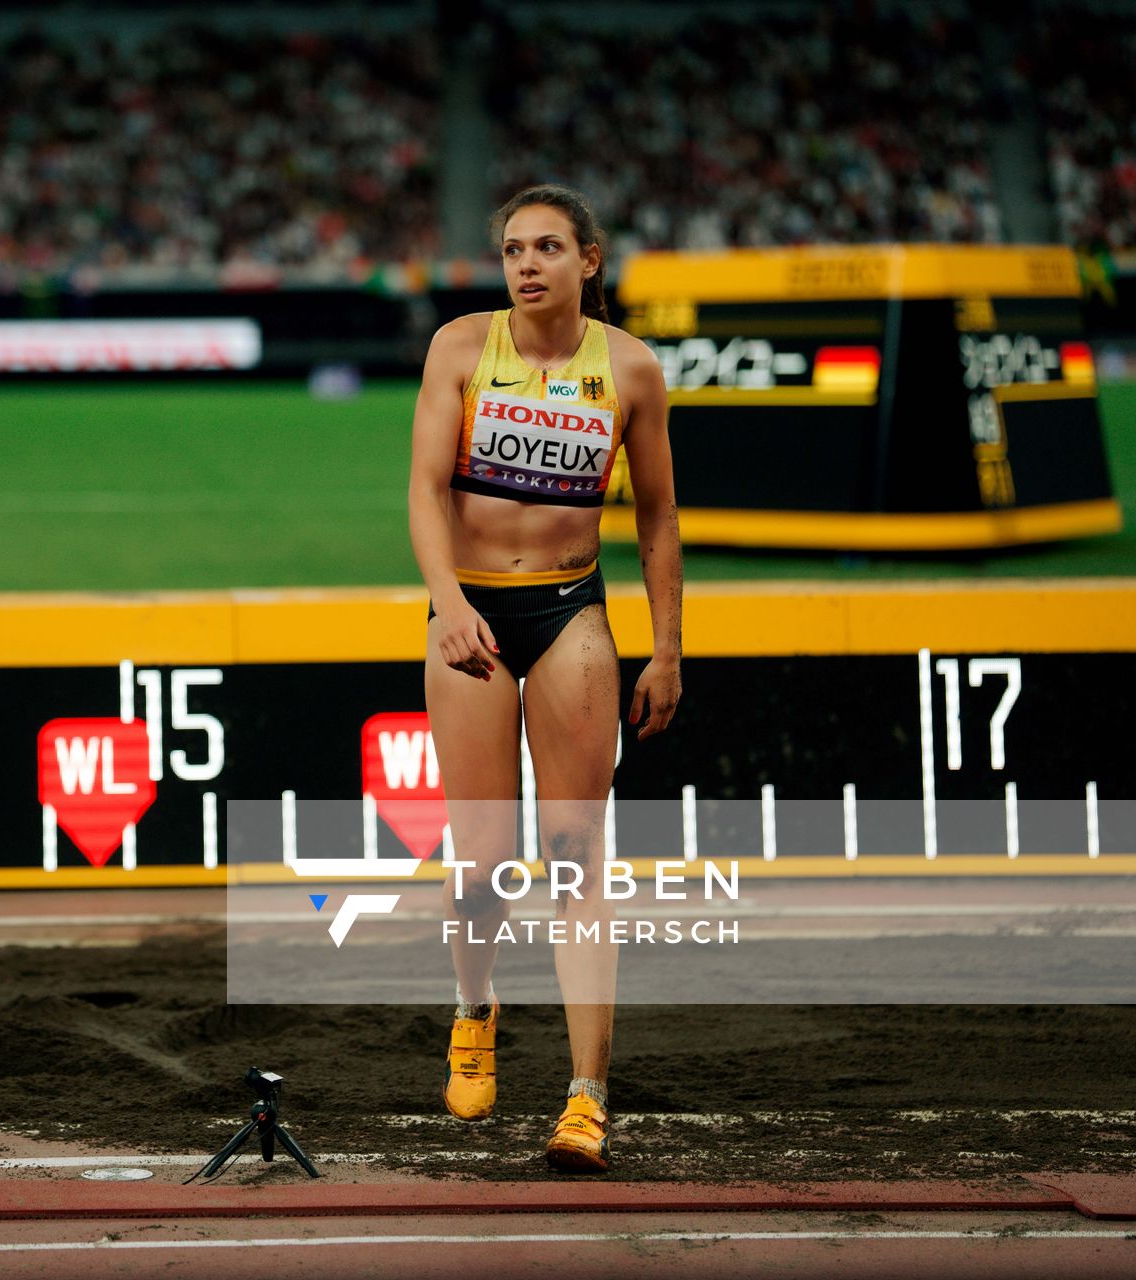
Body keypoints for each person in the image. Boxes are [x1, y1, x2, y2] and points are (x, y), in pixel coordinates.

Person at [406, 183, 682, 1173]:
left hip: (572, 609)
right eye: (515, 249)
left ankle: (586, 1096)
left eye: (548, 247)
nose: (526, 264)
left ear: (589, 260)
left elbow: (656, 517)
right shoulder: (458, 347)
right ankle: (475, 1008)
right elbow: (426, 489)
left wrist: (667, 647)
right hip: (471, 613)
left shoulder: (633, 371)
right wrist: (447, 601)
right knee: (480, 865)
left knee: (576, 852)